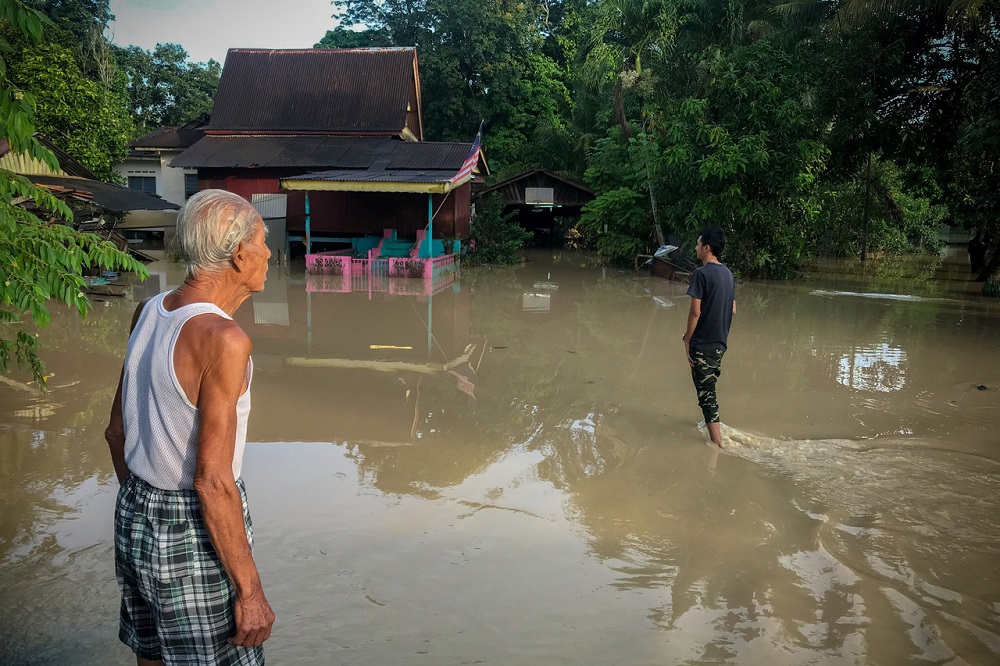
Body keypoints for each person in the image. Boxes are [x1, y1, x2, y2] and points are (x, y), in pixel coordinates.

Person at [105, 189, 275, 665]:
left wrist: (148, 509)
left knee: (153, 656)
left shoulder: (149, 311)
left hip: (134, 508)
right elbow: (212, 480)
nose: (267, 252)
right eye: (262, 241)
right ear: (240, 253)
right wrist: (251, 592)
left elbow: (115, 432)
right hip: (191, 524)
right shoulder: (224, 339)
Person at [682, 227, 736, 448]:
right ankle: (712, 430)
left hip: (703, 344)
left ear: (706, 248)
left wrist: (687, 338)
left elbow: (696, 312)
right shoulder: (729, 274)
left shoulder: (701, 274)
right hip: (720, 343)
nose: (695, 248)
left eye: (697, 244)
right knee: (709, 389)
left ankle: (718, 446)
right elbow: (732, 309)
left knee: (707, 397)